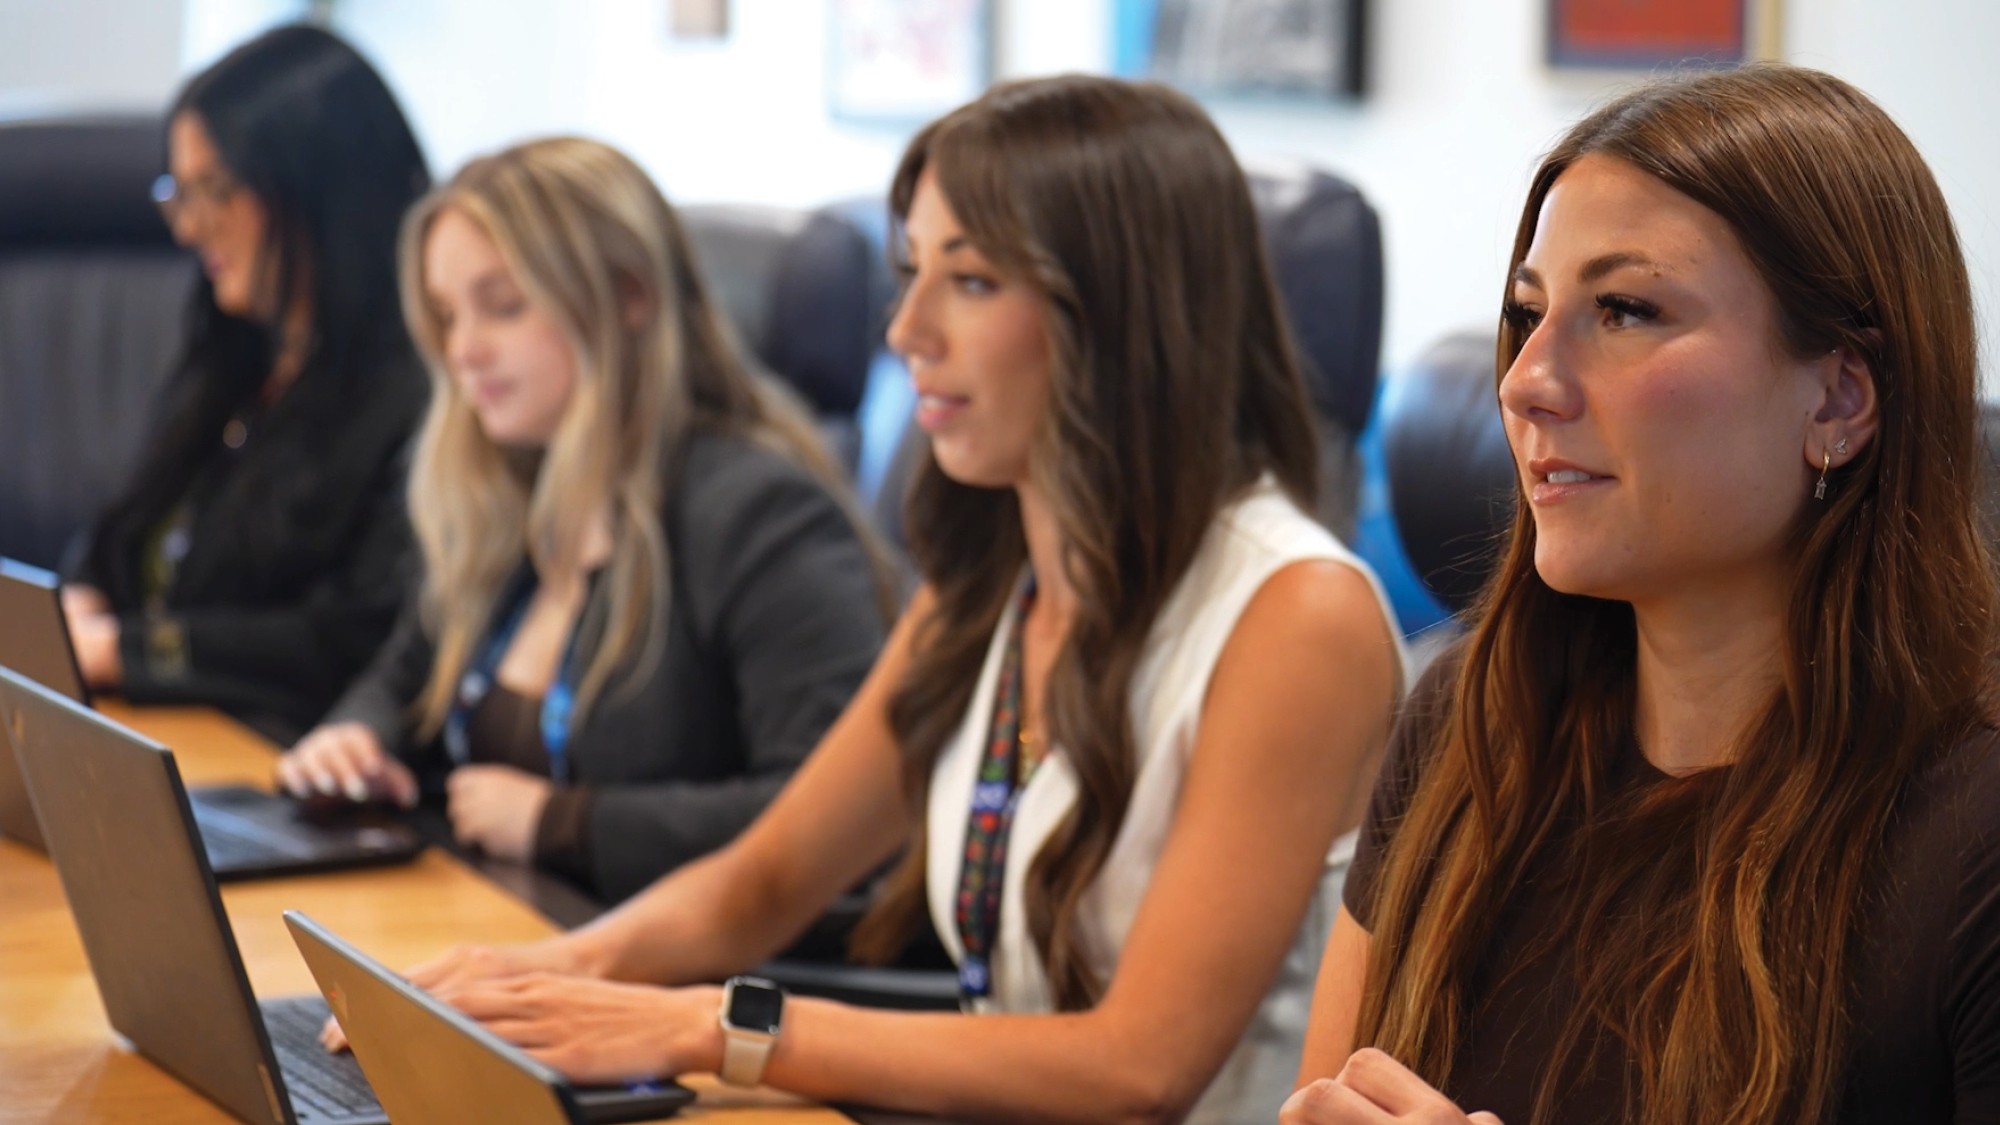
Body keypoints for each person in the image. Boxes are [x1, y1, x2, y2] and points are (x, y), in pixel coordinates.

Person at [321, 76, 1405, 1125]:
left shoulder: (1296, 615)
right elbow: (765, 879)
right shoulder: (991, 588)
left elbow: (1140, 1068)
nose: (905, 330)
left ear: (1123, 315)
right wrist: (540, 976)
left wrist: (710, 1027)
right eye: (910, 272)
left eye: (970, 281)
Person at [1285, 65, 2000, 1125]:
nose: (1524, 380)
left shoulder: (1969, 840)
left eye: (1624, 310)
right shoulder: (1467, 728)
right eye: (1527, 312)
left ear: (1840, 400)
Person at [275, 138, 891, 902]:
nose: (463, 350)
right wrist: (356, 740)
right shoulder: (513, 490)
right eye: (447, 315)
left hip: (676, 962)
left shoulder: (758, 513)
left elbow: (841, 821)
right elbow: (405, 674)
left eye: (504, 305)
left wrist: (566, 822)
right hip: (503, 929)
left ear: (630, 298)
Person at [62, 25, 431, 743]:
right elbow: (122, 534)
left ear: (320, 188)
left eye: (218, 190)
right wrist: (79, 600)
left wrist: (124, 651)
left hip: (277, 752)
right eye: (179, 193)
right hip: (152, 729)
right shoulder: (234, 356)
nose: (189, 227)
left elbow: (349, 636)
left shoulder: (412, 395)